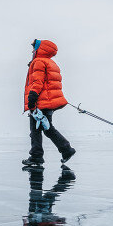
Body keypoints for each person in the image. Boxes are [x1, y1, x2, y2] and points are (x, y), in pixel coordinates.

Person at [22, 39, 76, 168]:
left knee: (36, 130)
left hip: (41, 103)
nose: (32, 51)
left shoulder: (38, 62)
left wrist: (32, 98)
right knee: (47, 128)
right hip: (48, 102)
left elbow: (38, 82)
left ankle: (37, 157)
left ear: (39, 49)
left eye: (34, 48)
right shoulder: (50, 62)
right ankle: (65, 149)